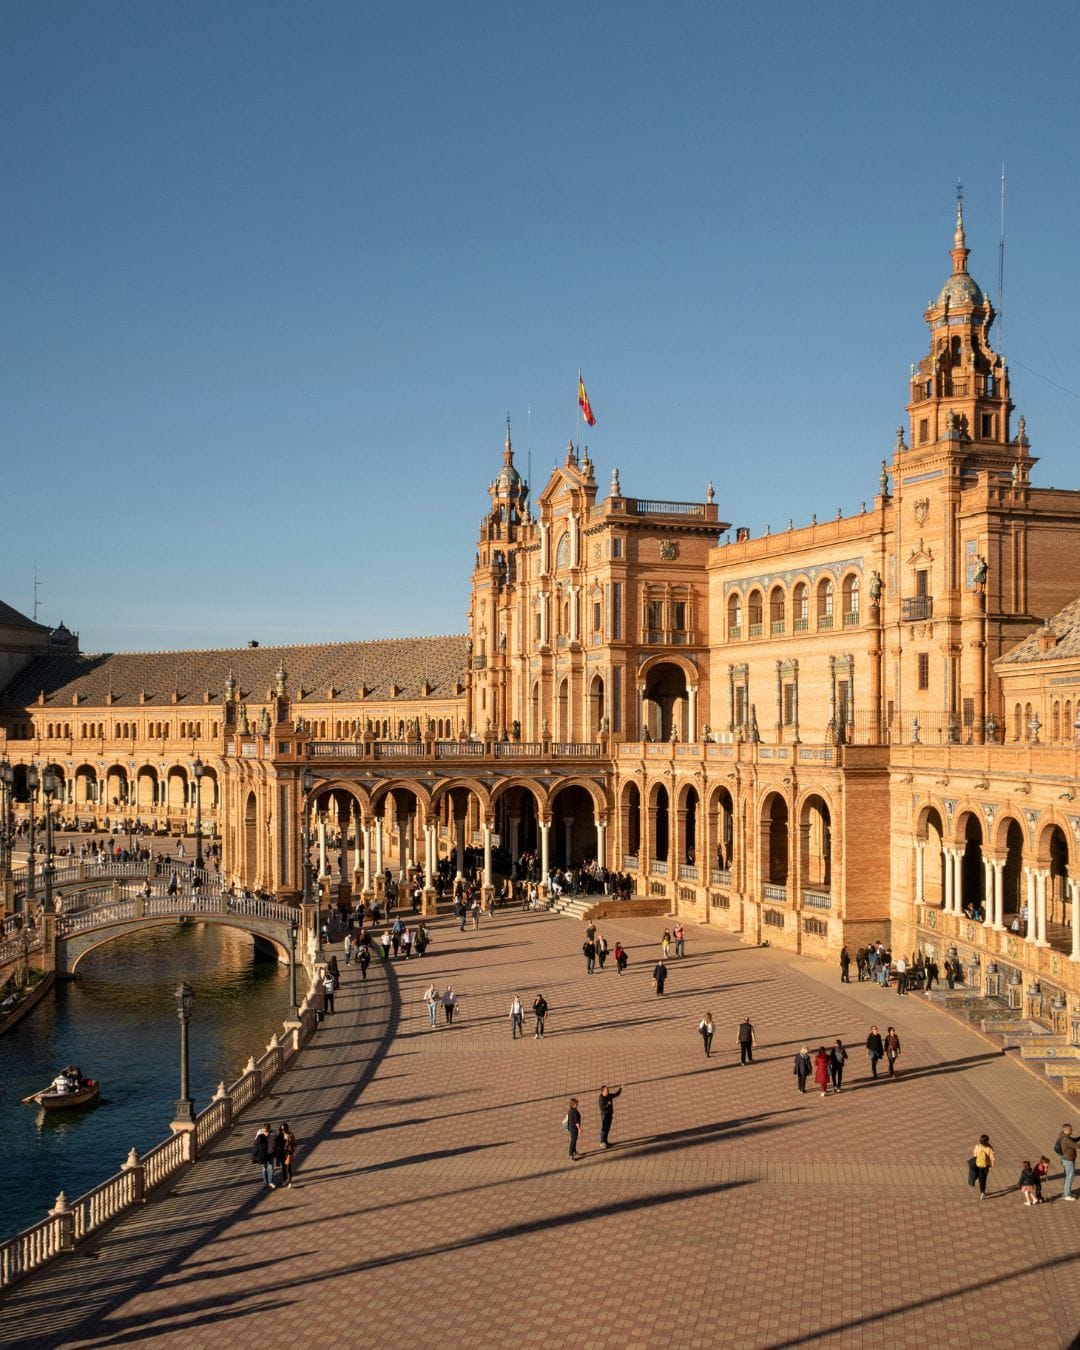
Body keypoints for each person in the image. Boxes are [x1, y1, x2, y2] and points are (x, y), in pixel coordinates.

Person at [597, 1084, 622, 1149]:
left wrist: (620, 1088)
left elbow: (616, 1094)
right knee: (603, 1129)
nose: (608, 1091)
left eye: (608, 1089)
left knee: (607, 1129)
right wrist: (608, 1105)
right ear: (603, 1092)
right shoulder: (601, 1098)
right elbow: (602, 1107)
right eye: (606, 1090)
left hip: (609, 1114)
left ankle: (606, 1141)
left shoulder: (609, 1095)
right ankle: (602, 1142)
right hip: (604, 1115)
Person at [1056, 1124, 1077, 1200]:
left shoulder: (1062, 1134)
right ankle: (1066, 1195)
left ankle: (1066, 1193)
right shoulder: (1065, 1139)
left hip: (1066, 1159)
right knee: (1070, 1176)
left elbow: (1073, 1140)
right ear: (1067, 1130)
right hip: (1068, 1160)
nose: (1072, 1130)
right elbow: (1076, 1145)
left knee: (1067, 1176)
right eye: (1071, 1129)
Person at [251, 1122, 275, 1188]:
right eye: (265, 1130)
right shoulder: (260, 1132)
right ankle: (265, 1182)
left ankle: (271, 1182)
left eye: (268, 1130)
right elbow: (255, 1142)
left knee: (271, 1168)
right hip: (263, 1154)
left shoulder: (273, 1133)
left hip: (270, 1153)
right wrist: (262, 1136)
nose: (266, 1131)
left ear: (270, 1128)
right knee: (264, 1169)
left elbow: (275, 1142)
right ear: (263, 1128)